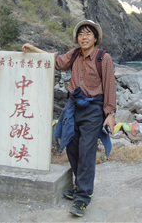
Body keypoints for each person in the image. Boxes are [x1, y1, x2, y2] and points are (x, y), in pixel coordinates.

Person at [22, 20, 116, 217]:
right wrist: (32, 49)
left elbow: (109, 86)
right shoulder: (73, 55)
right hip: (73, 107)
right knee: (72, 146)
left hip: (93, 108)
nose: (84, 37)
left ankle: (82, 197)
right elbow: (54, 61)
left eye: (88, 33)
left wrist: (110, 114)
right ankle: (79, 186)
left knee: (86, 151)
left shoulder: (103, 58)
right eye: (81, 33)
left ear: (96, 38)